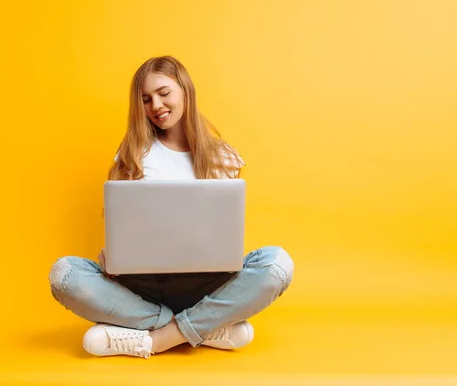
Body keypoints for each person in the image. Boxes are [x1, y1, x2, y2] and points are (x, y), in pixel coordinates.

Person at [48, 56, 294, 359]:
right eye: (146, 99)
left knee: (277, 263)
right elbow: (122, 225)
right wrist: (112, 252)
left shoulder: (223, 156)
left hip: (206, 285)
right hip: (142, 286)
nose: (156, 106)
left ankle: (152, 339)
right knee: (64, 274)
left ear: (185, 91)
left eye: (164, 93)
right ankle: (203, 330)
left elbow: (226, 234)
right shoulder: (134, 154)